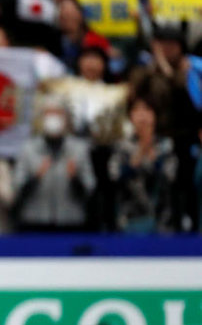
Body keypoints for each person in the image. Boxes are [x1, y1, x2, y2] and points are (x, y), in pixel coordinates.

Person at [13, 98, 96, 232]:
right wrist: (36, 177)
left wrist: (74, 178)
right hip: (35, 223)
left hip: (71, 223)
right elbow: (17, 188)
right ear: (42, 118)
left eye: (57, 113)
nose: (53, 118)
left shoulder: (79, 149)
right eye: (48, 114)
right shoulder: (28, 149)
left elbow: (89, 189)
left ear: (65, 118)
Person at [109, 97, 178, 234]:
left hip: (161, 221)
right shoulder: (121, 146)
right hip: (128, 221)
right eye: (137, 110)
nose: (142, 115)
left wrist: (154, 157)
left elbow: (170, 176)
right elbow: (114, 175)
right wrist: (140, 152)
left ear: (155, 115)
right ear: (130, 116)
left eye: (147, 109)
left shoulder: (165, 145)